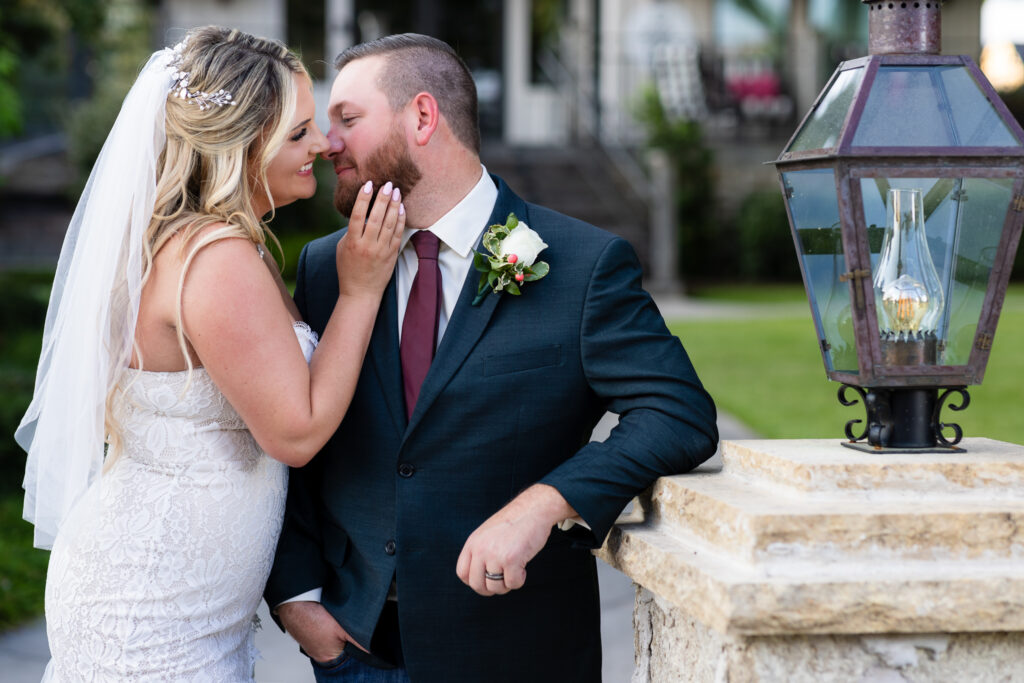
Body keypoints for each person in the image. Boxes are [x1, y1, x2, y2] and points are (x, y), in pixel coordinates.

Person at [265, 33, 719, 682]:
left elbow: (678, 412)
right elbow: (290, 446)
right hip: (354, 650)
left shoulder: (582, 265)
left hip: (516, 649)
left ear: (422, 117)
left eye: (348, 120)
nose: (328, 142)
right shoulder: (324, 266)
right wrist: (296, 598)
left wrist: (545, 501)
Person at [15, 26, 404, 681]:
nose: (326, 143)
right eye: (301, 131)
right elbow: (296, 431)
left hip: (177, 599)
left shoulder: (203, 243)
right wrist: (361, 290)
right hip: (153, 610)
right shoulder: (215, 258)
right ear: (249, 141)